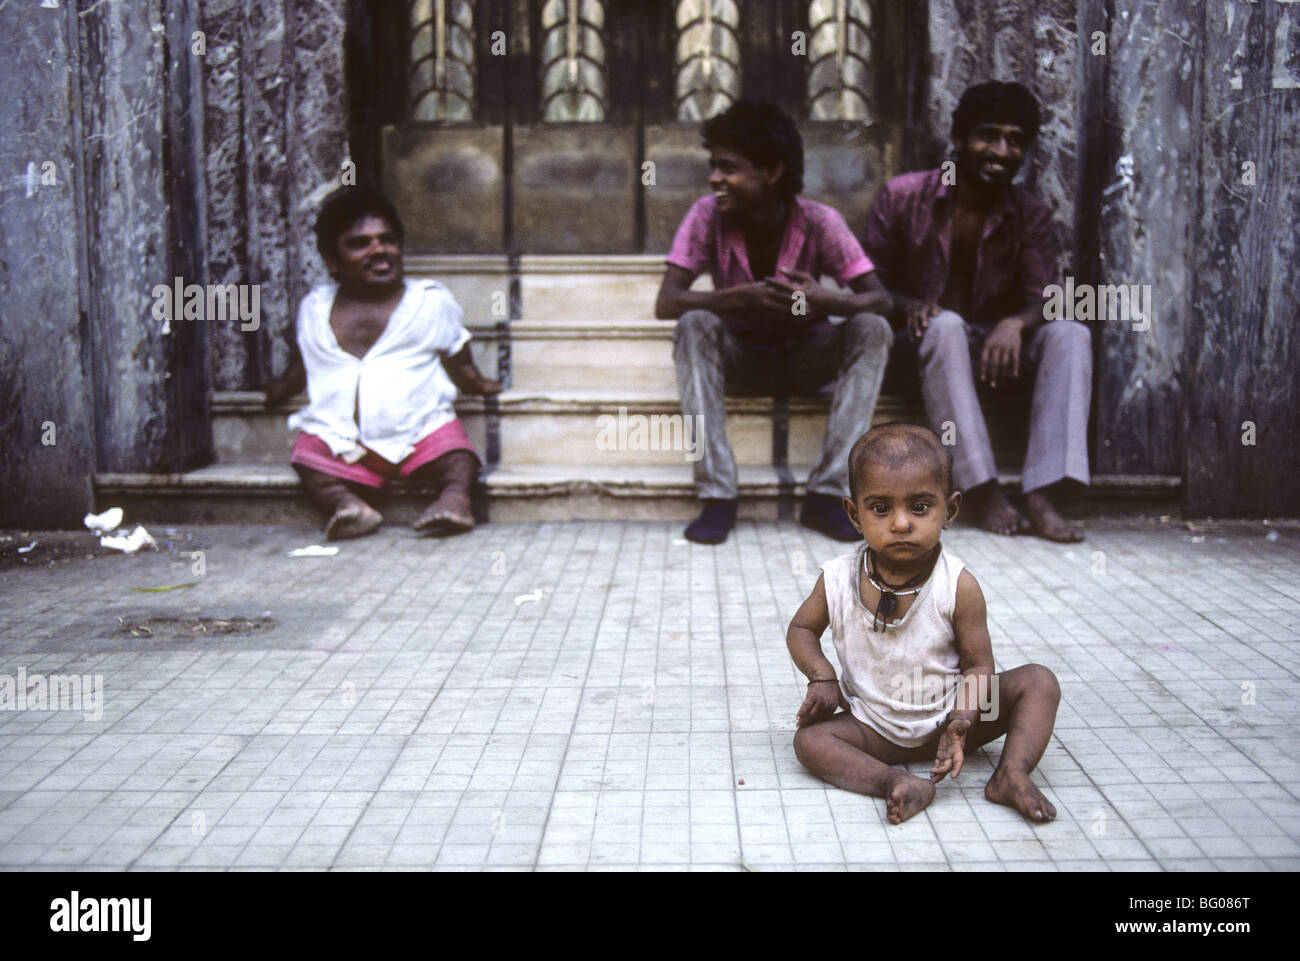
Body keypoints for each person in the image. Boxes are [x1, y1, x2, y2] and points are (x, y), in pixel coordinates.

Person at [786, 423, 1061, 825]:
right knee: (809, 741)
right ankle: (895, 781)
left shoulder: (958, 585)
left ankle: (1011, 773)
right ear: (854, 514)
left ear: (949, 510)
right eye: (880, 508)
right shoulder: (836, 579)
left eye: (919, 507)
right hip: (873, 729)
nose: (900, 523)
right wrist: (821, 677)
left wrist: (962, 720)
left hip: (950, 718)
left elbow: (979, 667)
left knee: (1039, 682)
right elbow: (801, 629)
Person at [655, 100, 893, 545]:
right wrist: (737, 297)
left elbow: (881, 301)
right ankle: (718, 496)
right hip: (741, 360)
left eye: (728, 168)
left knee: (871, 328)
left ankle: (826, 494)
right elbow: (666, 302)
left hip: (808, 360)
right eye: (713, 166)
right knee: (694, 323)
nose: (715, 179)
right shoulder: (706, 215)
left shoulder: (821, 221)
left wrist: (825, 299)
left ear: (773, 172)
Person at [862, 81, 1091, 542]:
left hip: (991, 349)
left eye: (1014, 140)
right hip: (921, 346)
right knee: (945, 323)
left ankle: (1043, 490)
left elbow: (1045, 297)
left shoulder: (1030, 214)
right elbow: (868, 286)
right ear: (960, 139)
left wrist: (1015, 323)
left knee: (1071, 332)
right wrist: (912, 306)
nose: (1001, 151)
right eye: (988, 136)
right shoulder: (904, 196)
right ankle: (981, 488)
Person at [262, 187, 501, 539]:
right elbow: (305, 363)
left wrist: (477, 384)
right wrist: (282, 387)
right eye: (359, 244)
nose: (378, 250)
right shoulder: (315, 308)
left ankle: (455, 500)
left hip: (418, 429)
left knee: (458, 454)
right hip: (343, 437)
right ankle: (348, 505)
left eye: (387, 240)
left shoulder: (428, 302)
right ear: (331, 261)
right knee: (307, 455)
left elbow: (458, 355)